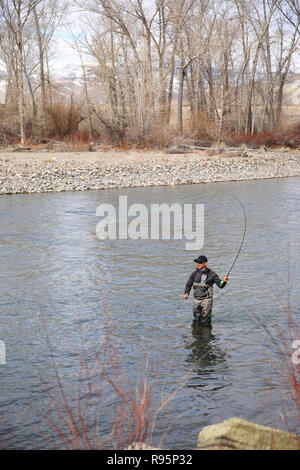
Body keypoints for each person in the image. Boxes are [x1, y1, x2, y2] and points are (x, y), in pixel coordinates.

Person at [184, 255, 229, 323]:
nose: (198, 264)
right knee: (196, 319)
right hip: (196, 299)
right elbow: (188, 284)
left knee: (205, 320)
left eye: (200, 262)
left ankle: (206, 331)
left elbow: (220, 284)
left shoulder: (211, 274)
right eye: (197, 262)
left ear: (205, 263)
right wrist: (186, 293)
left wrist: (224, 281)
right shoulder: (194, 273)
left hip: (207, 300)